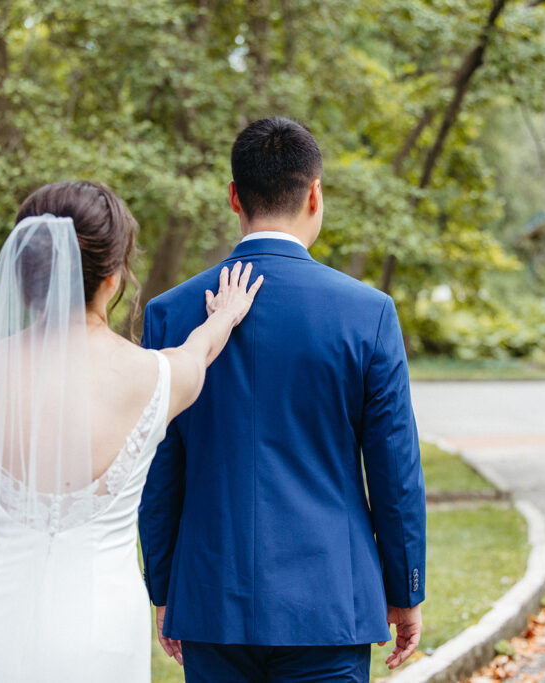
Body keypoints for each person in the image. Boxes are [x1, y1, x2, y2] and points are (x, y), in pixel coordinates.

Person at [0, 180, 263, 682]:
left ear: (22, 269)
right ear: (113, 277)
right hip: (100, 630)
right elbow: (198, 351)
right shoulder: (155, 376)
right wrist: (222, 317)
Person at [139, 117, 426, 682]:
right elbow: (395, 472)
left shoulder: (170, 313)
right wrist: (405, 587)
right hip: (330, 603)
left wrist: (167, 587)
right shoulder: (367, 313)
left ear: (233, 197)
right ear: (315, 193)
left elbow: (160, 470)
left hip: (209, 599)